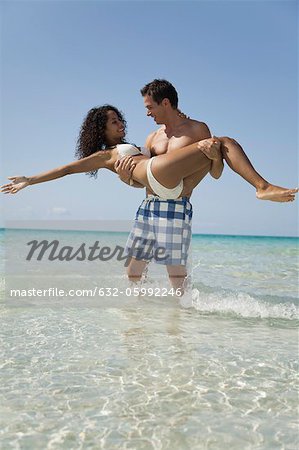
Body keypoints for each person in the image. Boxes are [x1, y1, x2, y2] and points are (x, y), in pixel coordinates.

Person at [115, 79, 298, 290]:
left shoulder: (197, 129)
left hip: (176, 205)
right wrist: (125, 178)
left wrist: (216, 157)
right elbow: (144, 181)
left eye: (150, 107)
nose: (147, 113)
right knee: (133, 272)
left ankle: (180, 318)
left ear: (165, 103)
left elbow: (215, 172)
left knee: (176, 276)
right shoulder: (152, 138)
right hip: (148, 206)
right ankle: (135, 316)